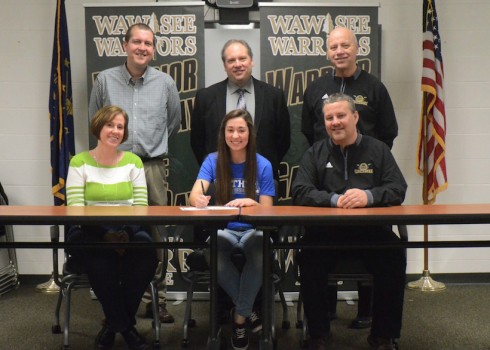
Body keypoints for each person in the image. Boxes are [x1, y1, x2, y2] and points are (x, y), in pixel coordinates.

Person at [292, 94, 407, 350]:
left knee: (394, 253)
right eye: (329, 118)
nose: (335, 122)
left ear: (355, 117)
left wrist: (368, 196)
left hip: (371, 233)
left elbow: (398, 188)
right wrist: (333, 200)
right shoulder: (315, 153)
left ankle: (383, 336)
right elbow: (299, 190)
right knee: (308, 256)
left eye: (341, 115)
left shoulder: (378, 150)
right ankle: (319, 335)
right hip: (326, 235)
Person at [301, 26, 399, 328]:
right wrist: (331, 188)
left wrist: (369, 180)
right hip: (326, 183)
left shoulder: (374, 87)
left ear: (357, 49)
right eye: (333, 47)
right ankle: (321, 324)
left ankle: (377, 326)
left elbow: (389, 131)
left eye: (345, 45)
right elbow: (308, 130)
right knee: (314, 253)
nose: (339, 51)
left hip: (367, 187)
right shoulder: (316, 89)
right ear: (328, 52)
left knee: (390, 253)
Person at [89, 23, 181, 323]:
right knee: (114, 233)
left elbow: (173, 124)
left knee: (156, 234)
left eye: (149, 43)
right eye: (137, 42)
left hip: (151, 166)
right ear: (124, 45)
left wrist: (149, 146)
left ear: (154, 49)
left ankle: (158, 299)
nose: (143, 48)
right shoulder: (105, 80)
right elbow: (96, 120)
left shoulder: (165, 82)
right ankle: (116, 303)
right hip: (112, 167)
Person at [66, 105, 157, 350]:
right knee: (100, 260)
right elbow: (76, 209)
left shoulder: (133, 162)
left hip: (128, 228)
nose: (115, 131)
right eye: (110, 125)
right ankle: (127, 329)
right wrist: (106, 235)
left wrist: (125, 233)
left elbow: (141, 207)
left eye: (120, 126)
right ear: (99, 127)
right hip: (89, 231)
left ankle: (112, 326)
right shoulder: (79, 162)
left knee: (147, 252)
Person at [189, 109, 275, 350]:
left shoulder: (263, 164)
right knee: (213, 254)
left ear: (250, 133)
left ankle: (239, 319)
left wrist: (253, 203)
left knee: (260, 255)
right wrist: (197, 199)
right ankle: (248, 312)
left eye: (241, 130)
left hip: (253, 231)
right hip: (223, 230)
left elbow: (268, 209)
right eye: (230, 130)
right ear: (223, 134)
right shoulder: (212, 161)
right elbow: (194, 194)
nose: (235, 135)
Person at [191, 39, 290, 180]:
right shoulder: (205, 97)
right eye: (231, 60)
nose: (237, 64)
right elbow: (197, 142)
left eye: (242, 58)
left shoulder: (274, 96)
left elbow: (283, 141)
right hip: (219, 178)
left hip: (262, 179)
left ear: (251, 61)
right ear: (224, 66)